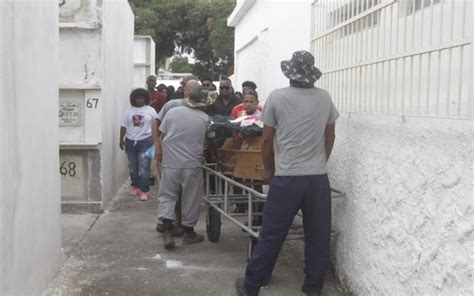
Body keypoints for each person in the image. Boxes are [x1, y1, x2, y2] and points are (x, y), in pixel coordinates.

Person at [234, 50, 339, 296]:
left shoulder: (277, 98)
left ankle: (251, 287)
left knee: (272, 234)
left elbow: (267, 139)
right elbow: (330, 135)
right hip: (316, 179)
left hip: (287, 177)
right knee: (318, 234)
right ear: (311, 76)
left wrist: (269, 169)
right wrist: (320, 161)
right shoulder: (324, 98)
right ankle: (313, 287)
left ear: (290, 74)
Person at [157, 85, 218, 249]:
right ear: (203, 104)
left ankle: (168, 233)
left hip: (170, 163)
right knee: (190, 198)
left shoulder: (172, 113)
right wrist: (217, 156)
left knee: (167, 196)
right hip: (192, 165)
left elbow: (162, 133)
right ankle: (189, 233)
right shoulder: (205, 119)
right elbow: (211, 142)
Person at [153, 79, 201, 236]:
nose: (191, 93)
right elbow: (157, 124)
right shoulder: (172, 106)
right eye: (189, 89)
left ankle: (175, 225)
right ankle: (168, 224)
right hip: (168, 156)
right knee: (171, 192)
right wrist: (158, 146)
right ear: (183, 90)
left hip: (179, 159)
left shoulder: (200, 111)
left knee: (174, 193)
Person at [119, 88, 158, 201]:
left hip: (146, 141)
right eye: (137, 98)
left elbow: (156, 125)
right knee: (133, 167)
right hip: (130, 142)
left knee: (144, 167)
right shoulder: (128, 111)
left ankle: (144, 190)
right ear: (133, 99)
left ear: (145, 98)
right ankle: (135, 186)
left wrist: (156, 140)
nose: (139, 100)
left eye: (142, 98)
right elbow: (123, 126)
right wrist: (121, 139)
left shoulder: (151, 110)